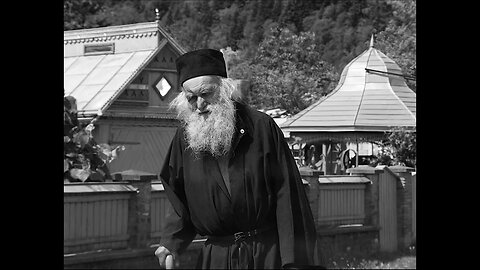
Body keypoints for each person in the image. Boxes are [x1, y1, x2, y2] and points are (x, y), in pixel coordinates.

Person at [154, 49, 321, 269]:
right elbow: (179, 200)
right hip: (216, 258)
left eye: (206, 94)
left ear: (224, 89)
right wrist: (171, 241)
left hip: (266, 255)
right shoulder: (185, 138)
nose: (200, 104)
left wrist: (294, 262)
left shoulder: (261, 128)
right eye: (192, 98)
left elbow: (287, 196)